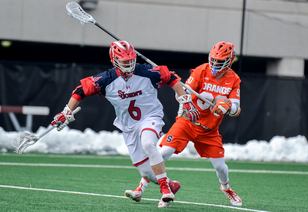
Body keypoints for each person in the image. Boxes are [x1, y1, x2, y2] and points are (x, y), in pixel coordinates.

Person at [50, 40, 200, 208]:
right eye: (124, 61)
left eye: (131, 60)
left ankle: (165, 190)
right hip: (128, 126)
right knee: (146, 172)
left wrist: (184, 99)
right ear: (114, 60)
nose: (129, 64)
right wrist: (66, 111)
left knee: (148, 144)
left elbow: (171, 77)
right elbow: (80, 90)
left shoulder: (146, 71)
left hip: (151, 116)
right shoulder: (106, 79)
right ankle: (171, 184)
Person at [126, 41, 242, 207]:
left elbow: (236, 109)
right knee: (163, 153)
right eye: (214, 59)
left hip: (209, 131)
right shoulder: (201, 70)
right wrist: (183, 95)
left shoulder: (234, 80)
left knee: (221, 167)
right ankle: (140, 189)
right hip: (188, 121)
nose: (215, 64)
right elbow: (182, 93)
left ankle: (226, 188)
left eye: (220, 61)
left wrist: (228, 106)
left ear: (229, 61)